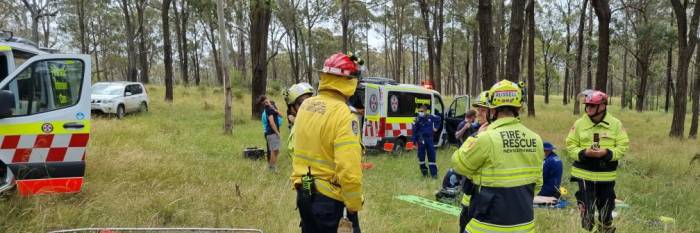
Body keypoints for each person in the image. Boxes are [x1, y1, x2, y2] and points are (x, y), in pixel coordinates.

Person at [452, 80, 544, 233]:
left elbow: (458, 163)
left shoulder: (486, 138)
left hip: (487, 226)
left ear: (492, 110)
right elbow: (538, 184)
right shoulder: (536, 139)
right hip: (525, 226)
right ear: (519, 108)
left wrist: (475, 137)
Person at [290, 52, 364, 233]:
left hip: (304, 193)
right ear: (350, 82)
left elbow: (292, 147)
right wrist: (354, 203)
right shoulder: (345, 114)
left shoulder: (306, 106)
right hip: (331, 203)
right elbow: (349, 167)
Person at [567, 90, 629, 233]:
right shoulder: (579, 124)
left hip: (606, 176)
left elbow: (623, 146)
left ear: (602, 106)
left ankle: (605, 229)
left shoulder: (615, 124)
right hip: (583, 175)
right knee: (587, 212)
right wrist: (584, 153)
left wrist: (607, 153)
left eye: (592, 106)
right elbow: (570, 145)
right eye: (587, 105)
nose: (588, 108)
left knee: (606, 212)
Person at [456, 91, 490, 233]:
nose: (479, 114)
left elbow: (460, 160)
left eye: (483, 110)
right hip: (469, 197)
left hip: (482, 202)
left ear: (494, 112)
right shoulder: (478, 129)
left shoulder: (488, 135)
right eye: (478, 110)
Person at [412, 103, 441, 178]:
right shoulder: (416, 119)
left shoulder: (430, 117)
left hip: (429, 139)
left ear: (425, 111)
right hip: (421, 140)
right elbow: (414, 131)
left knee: (432, 156)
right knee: (421, 158)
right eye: (419, 111)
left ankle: (434, 174)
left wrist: (436, 128)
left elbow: (439, 119)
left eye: (422, 111)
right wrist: (414, 142)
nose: (420, 112)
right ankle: (424, 173)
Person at [258, 96, 282, 171]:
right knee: (274, 151)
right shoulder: (268, 109)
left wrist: (275, 109)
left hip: (272, 133)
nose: (267, 102)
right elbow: (272, 123)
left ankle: (272, 166)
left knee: (276, 150)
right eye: (264, 102)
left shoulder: (272, 108)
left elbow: (281, 115)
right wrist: (277, 132)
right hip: (272, 133)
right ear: (263, 104)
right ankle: (272, 168)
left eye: (267, 100)